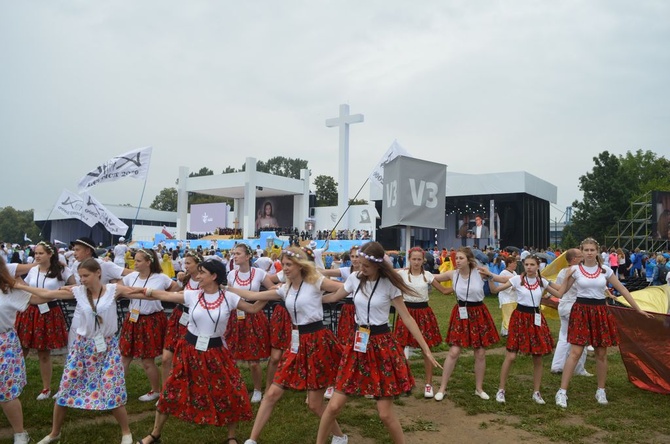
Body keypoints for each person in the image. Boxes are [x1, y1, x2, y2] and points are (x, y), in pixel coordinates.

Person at [316, 242, 440, 444]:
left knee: (385, 414)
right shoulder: (355, 279)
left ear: (377, 266)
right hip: (358, 343)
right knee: (334, 406)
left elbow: (407, 318)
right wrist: (311, 298)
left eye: (365, 265)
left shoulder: (389, 284)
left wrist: (425, 349)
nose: (360, 268)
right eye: (359, 263)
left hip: (382, 345)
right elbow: (334, 297)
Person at [135, 260, 265, 444]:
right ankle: (155, 435)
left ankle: (231, 437)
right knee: (171, 389)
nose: (197, 276)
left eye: (202, 273)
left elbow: (253, 308)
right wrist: (145, 292)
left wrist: (273, 295)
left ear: (213, 276)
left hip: (216, 351)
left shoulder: (229, 297)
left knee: (231, 391)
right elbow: (165, 295)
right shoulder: (193, 295)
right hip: (190, 350)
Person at [20, 259, 146, 444]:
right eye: (80, 276)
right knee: (65, 388)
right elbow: (46, 293)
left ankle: (126, 432)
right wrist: (19, 286)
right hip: (82, 348)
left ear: (98, 273)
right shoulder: (77, 291)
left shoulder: (113, 290)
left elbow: (141, 293)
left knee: (112, 388)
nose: (83, 279)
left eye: (86, 275)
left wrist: (168, 293)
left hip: (107, 348)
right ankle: (55, 433)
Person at [231, 247, 347, 444]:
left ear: (300, 266)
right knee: (272, 393)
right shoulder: (284, 289)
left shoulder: (316, 282)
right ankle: (252, 440)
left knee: (314, 404)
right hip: (296, 343)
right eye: (283, 264)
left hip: (317, 341)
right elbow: (253, 296)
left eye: (288, 265)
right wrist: (226, 289)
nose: (284, 268)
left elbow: (342, 288)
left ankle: (339, 435)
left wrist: (326, 298)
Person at [554, 238, 652, 409]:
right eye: (586, 250)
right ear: (581, 251)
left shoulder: (605, 270)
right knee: (575, 352)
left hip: (600, 311)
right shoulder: (575, 270)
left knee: (601, 353)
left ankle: (601, 390)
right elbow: (561, 292)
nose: (590, 253)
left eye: (592, 250)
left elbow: (622, 289)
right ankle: (562, 391)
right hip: (581, 311)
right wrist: (543, 282)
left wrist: (637, 309)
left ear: (597, 251)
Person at [486, 255, 563, 404]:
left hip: (535, 318)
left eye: (532, 264)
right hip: (520, 318)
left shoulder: (542, 281)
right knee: (511, 356)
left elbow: (559, 293)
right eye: (526, 264)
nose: (529, 267)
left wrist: (570, 278)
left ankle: (536, 392)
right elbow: (495, 290)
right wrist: (489, 277)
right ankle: (501, 390)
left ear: (537, 266)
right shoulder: (517, 280)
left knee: (538, 357)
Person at [433, 247, 500, 402]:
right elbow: (433, 277)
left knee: (480, 352)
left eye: (461, 258)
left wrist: (490, 276)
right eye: (456, 258)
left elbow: (499, 281)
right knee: (454, 351)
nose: (457, 261)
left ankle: (479, 388)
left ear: (469, 260)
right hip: (461, 312)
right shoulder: (453, 274)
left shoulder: (480, 273)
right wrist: (408, 270)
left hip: (478, 313)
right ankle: (442, 388)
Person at [15, 242, 74, 401]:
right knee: (21, 349)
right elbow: (27, 285)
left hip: (49, 312)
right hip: (30, 311)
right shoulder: (33, 269)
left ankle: (46, 388)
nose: (37, 256)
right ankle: (15, 381)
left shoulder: (62, 270)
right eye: (36, 253)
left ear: (50, 254)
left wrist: (61, 290)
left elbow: (76, 286)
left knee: (44, 353)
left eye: (41, 253)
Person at [119, 249, 180, 402]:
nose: (135, 263)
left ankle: (156, 390)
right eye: (135, 260)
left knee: (147, 360)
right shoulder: (130, 277)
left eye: (138, 260)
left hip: (151, 320)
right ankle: (116, 390)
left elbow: (175, 288)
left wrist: (163, 297)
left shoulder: (161, 278)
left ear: (148, 262)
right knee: (124, 356)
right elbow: (119, 289)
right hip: (133, 319)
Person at [395, 247, 451, 399]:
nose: (416, 262)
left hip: (424, 313)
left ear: (423, 260)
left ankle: (428, 384)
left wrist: (463, 286)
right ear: (409, 259)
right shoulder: (401, 274)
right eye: (414, 259)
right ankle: (402, 381)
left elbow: (444, 291)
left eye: (419, 259)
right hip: (406, 312)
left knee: (426, 349)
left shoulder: (428, 275)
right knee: (400, 348)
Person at [225, 243, 276, 404]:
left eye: (238, 253)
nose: (235, 256)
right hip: (236, 316)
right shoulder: (232, 274)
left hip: (254, 316)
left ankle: (257, 389)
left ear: (248, 256)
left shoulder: (259, 273)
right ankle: (235, 386)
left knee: (254, 360)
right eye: (234, 253)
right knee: (232, 356)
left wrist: (260, 300)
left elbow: (273, 290)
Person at [0, 256, 41, 444]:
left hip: (4, 344)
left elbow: (40, 298)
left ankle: (20, 433)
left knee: (6, 391)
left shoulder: (9, 291)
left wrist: (22, 286)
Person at [161, 251, 201, 386]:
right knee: (166, 357)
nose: (185, 266)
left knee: (187, 358)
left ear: (198, 264)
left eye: (189, 263)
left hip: (195, 320)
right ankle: (165, 391)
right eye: (185, 263)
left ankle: (185, 387)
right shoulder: (185, 278)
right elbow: (172, 292)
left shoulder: (205, 281)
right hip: (179, 315)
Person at [550, 248, 590, 376]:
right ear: (574, 259)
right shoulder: (580, 271)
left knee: (564, 337)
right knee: (580, 337)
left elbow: (559, 288)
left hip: (564, 306)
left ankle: (557, 366)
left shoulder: (562, 271)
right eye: (580, 255)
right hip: (575, 306)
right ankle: (579, 368)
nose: (583, 256)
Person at [495, 256, 517, 337]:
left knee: (512, 314)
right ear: (509, 264)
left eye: (516, 263)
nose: (515, 265)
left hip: (514, 297)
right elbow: (501, 285)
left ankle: (505, 331)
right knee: (507, 314)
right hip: (506, 297)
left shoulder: (514, 273)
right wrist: (511, 287)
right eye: (514, 263)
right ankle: (507, 331)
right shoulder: (503, 273)